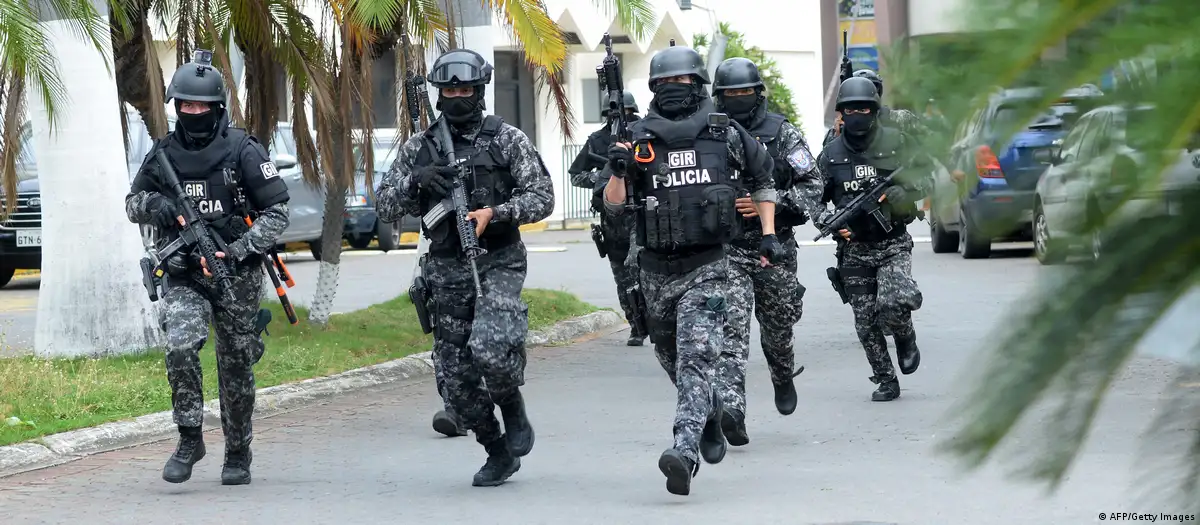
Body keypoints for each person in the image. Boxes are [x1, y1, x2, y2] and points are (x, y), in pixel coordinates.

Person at [601, 44, 784, 496]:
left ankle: (683, 452)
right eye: (664, 84)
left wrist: (766, 231)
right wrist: (619, 170)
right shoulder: (638, 139)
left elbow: (764, 179)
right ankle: (709, 413)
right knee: (673, 360)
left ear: (698, 86)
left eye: (680, 83)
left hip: (708, 266)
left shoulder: (727, 134)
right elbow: (613, 207)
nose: (673, 90)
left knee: (697, 360)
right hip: (654, 272)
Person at [374, 48, 554, 487]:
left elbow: (543, 195)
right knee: (455, 385)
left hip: (498, 260)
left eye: (465, 89)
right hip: (445, 269)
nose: (456, 97)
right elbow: (384, 203)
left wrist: (498, 211)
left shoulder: (506, 139)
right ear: (438, 94)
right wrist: (416, 179)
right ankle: (496, 449)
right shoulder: (421, 146)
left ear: (479, 91)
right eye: (449, 89)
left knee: (492, 345)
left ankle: (510, 402)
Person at [124, 49, 290, 485]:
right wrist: (156, 204)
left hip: (236, 275)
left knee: (235, 365)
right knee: (180, 346)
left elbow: (277, 213)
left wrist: (236, 251)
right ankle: (189, 435)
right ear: (176, 107)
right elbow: (132, 204)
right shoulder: (163, 154)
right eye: (185, 105)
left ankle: (237, 452)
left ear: (217, 107)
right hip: (183, 273)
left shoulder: (244, 150)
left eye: (200, 106)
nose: (192, 112)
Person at [709, 57, 824, 444]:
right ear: (717, 97)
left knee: (778, 329)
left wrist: (768, 207)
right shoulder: (707, 134)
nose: (738, 99)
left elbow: (812, 185)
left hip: (773, 246)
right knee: (731, 332)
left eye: (745, 93)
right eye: (730, 94)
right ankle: (733, 410)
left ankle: (783, 375)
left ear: (758, 94)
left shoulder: (782, 133)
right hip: (727, 250)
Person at [815, 76, 928, 402]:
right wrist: (832, 224)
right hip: (854, 250)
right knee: (865, 322)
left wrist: (905, 190)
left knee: (893, 302)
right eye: (850, 109)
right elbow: (813, 198)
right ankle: (886, 379)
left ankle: (905, 336)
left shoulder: (898, 142)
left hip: (892, 243)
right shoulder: (831, 155)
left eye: (864, 108)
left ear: (875, 110)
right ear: (841, 114)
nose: (857, 115)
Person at [568, 92, 648, 346]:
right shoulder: (598, 140)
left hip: (643, 213)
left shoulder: (648, 133)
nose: (622, 119)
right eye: (615, 114)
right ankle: (637, 324)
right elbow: (576, 175)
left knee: (641, 266)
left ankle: (656, 320)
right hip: (613, 218)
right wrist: (604, 179)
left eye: (627, 114)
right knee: (622, 275)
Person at [823, 69, 927, 147]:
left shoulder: (900, 118)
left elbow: (927, 140)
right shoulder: (841, 125)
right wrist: (838, 133)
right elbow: (827, 157)